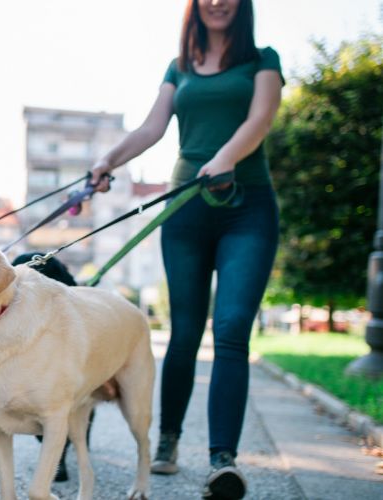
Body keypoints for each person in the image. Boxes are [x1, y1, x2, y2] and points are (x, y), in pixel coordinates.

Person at [90, 0, 283, 498]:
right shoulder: (179, 68)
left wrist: (223, 159)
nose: (218, 2)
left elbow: (260, 119)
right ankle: (168, 440)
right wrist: (108, 160)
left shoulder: (263, 59)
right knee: (185, 332)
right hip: (186, 209)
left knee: (234, 326)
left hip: (248, 205)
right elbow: (154, 128)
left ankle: (223, 459)